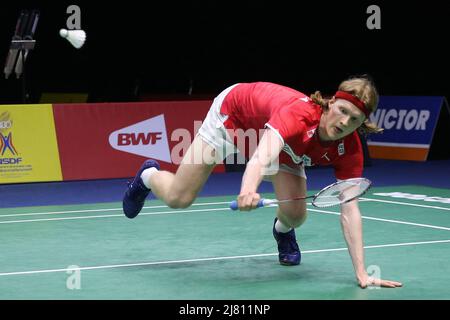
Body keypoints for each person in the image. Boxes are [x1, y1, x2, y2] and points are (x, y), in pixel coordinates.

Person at [122, 76, 403, 289]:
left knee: (296, 215)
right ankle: (147, 176)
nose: (344, 122)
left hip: (284, 146)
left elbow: (349, 209)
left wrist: (362, 273)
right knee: (178, 198)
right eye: (342, 110)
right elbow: (259, 158)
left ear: (362, 124)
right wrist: (248, 190)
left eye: (354, 119)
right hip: (232, 118)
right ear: (331, 103)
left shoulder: (350, 149)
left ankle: (282, 232)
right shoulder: (298, 114)